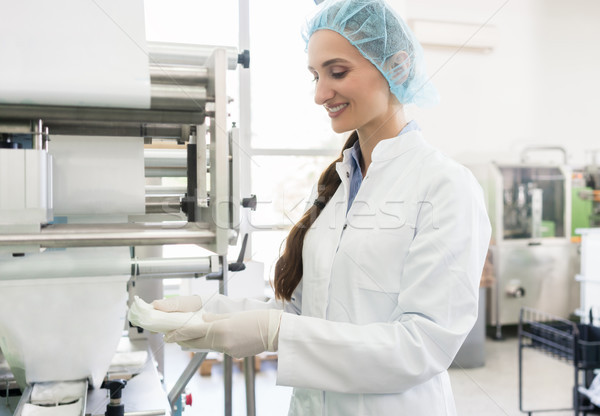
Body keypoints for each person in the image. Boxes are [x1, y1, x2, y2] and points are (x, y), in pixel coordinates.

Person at [150, 0, 491, 414]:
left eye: (337, 72)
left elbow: (423, 346)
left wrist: (277, 334)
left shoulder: (446, 186)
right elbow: (305, 309)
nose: (319, 94)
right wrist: (210, 310)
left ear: (396, 68)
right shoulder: (340, 184)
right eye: (315, 75)